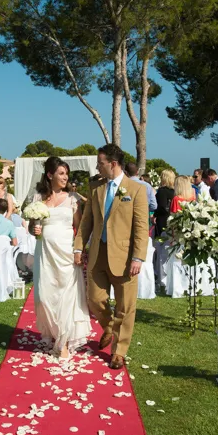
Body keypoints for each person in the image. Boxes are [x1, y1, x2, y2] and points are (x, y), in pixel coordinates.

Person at [74, 144, 149, 370]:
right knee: (94, 299)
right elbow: (87, 222)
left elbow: (140, 227)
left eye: (100, 163)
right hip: (98, 254)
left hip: (126, 258)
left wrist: (138, 257)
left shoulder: (136, 190)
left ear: (113, 164)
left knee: (126, 306)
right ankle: (108, 327)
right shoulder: (95, 187)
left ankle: (119, 351)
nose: (98, 166)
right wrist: (78, 247)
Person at [25, 157, 90, 359]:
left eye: (66, 174)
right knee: (44, 297)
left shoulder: (73, 199)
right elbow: (31, 226)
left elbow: (79, 228)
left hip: (66, 253)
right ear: (50, 175)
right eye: (61, 173)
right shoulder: (38, 199)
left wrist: (79, 250)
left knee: (65, 296)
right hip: (44, 252)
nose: (65, 177)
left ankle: (62, 341)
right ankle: (54, 333)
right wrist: (33, 228)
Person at [154, 169, 176, 238]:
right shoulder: (174, 191)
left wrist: (155, 215)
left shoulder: (162, 191)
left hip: (163, 219)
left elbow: (162, 207)